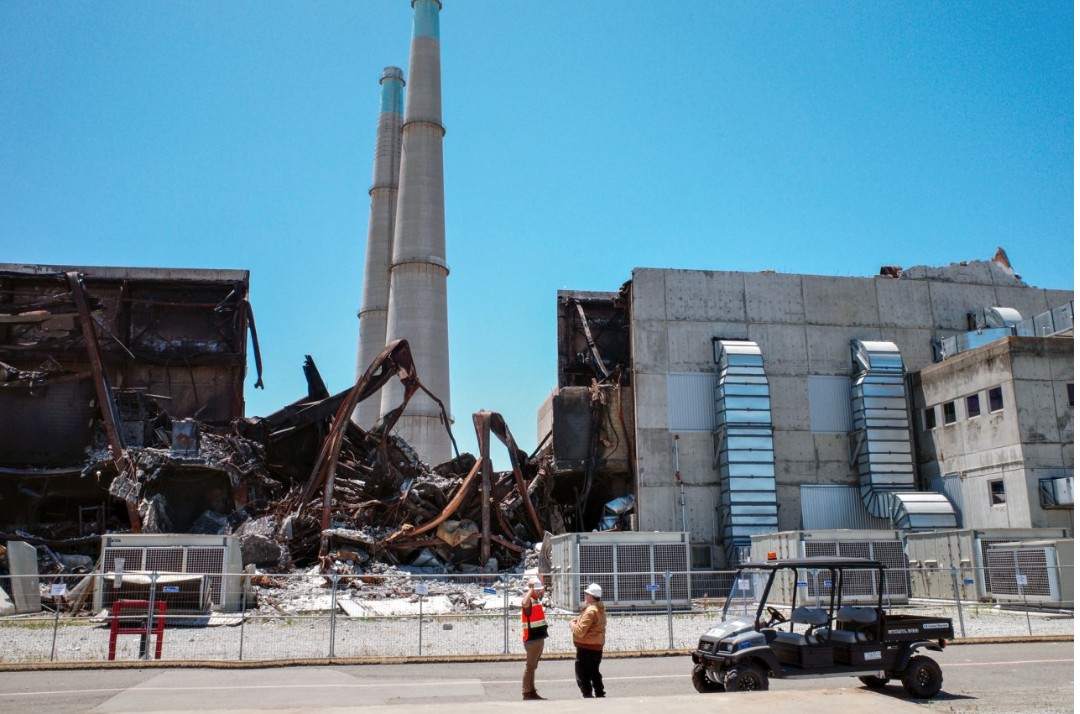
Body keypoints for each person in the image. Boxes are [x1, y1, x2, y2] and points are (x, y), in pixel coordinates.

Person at [570, 582, 607, 698]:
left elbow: (580, 631)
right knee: (594, 671)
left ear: (591, 596)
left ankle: (587, 695)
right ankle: (600, 693)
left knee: (582, 673)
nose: (585, 596)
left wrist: (572, 625)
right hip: (597, 646)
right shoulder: (599, 609)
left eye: (586, 594)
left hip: (586, 647)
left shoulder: (590, 610)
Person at [521, 576, 549, 701]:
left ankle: (531, 691)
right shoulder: (529, 601)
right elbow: (524, 603)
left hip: (538, 638)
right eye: (538, 590)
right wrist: (531, 590)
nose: (540, 592)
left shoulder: (536, 600)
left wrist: (540, 582)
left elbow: (541, 593)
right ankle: (527, 692)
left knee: (532, 667)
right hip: (532, 639)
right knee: (530, 667)